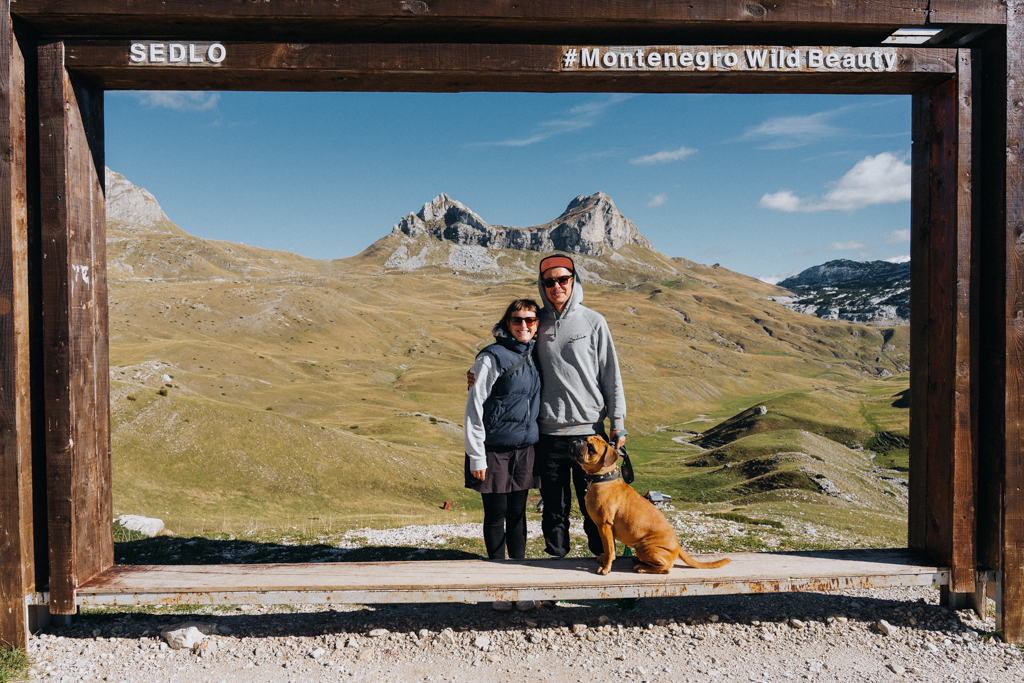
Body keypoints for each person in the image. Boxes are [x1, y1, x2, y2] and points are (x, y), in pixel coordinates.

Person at [467, 255, 628, 559]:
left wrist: (617, 423)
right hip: (548, 435)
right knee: (554, 508)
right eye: (549, 281)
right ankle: (556, 570)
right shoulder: (535, 321)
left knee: (596, 506)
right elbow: (509, 345)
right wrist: (481, 366)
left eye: (562, 279)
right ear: (542, 286)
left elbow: (611, 375)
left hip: (590, 433)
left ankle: (602, 567)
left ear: (573, 280)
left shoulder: (594, 321)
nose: (556, 286)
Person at [464, 299, 543, 572]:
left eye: (530, 320)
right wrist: (476, 456)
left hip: (525, 448)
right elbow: (474, 407)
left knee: (518, 515)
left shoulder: (536, 353)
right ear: (507, 323)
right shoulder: (491, 357)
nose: (524, 325)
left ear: (537, 324)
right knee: (496, 516)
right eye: (517, 320)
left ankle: (519, 580)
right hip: (493, 449)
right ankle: (498, 579)